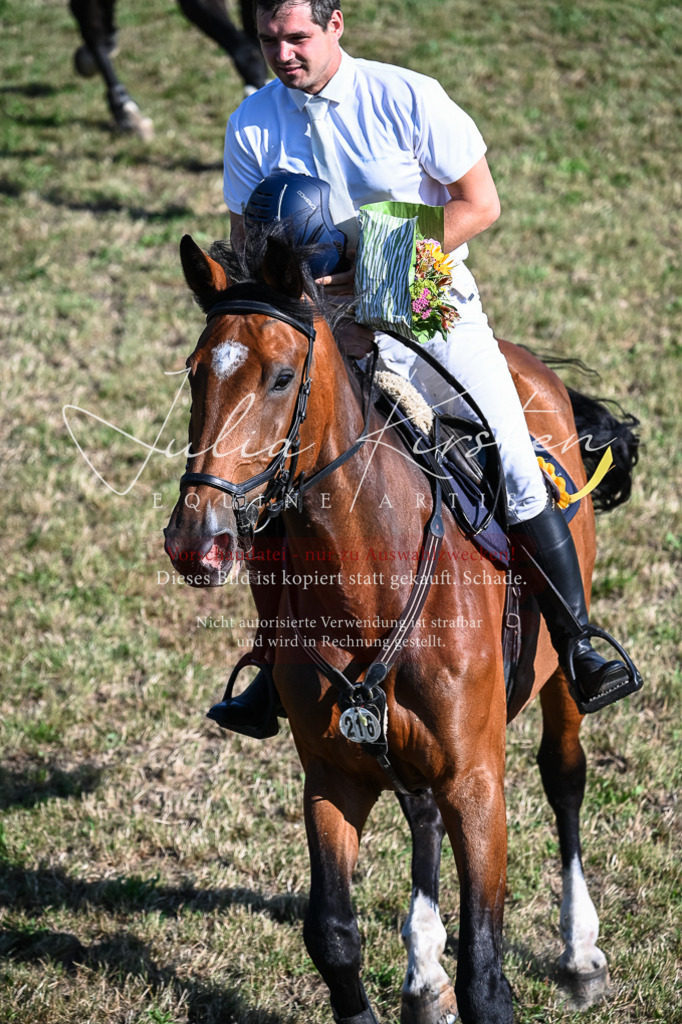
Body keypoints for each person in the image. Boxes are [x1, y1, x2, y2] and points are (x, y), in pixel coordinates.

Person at [208, 0, 640, 736]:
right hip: (325, 329)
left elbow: (481, 204)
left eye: (299, 37)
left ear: (336, 25)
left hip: (427, 302)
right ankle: (274, 664)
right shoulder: (252, 121)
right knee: (278, 486)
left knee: (511, 461)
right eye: (269, 39)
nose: (284, 53)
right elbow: (246, 240)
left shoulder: (407, 96)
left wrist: (362, 254)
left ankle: (579, 642)